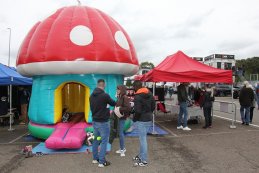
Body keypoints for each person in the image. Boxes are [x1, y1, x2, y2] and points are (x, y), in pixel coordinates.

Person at [90, 79, 116, 168]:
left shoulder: (91, 96)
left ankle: (95, 159)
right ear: (104, 85)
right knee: (104, 141)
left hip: (95, 122)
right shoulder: (105, 96)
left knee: (96, 139)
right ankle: (101, 162)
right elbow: (113, 103)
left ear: (97, 85)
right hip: (103, 123)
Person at [132, 80, 155, 167]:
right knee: (143, 138)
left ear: (136, 87)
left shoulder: (137, 96)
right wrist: (149, 112)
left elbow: (137, 111)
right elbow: (153, 105)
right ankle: (141, 155)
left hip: (142, 119)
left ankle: (144, 160)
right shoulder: (149, 93)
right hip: (148, 118)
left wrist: (134, 119)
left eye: (134, 87)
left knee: (143, 140)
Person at [114, 85, 131, 157]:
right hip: (119, 117)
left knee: (121, 133)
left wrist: (119, 109)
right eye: (117, 89)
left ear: (122, 90)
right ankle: (121, 148)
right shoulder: (120, 97)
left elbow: (128, 108)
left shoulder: (124, 97)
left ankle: (123, 149)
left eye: (118, 89)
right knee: (119, 133)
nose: (117, 90)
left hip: (122, 117)